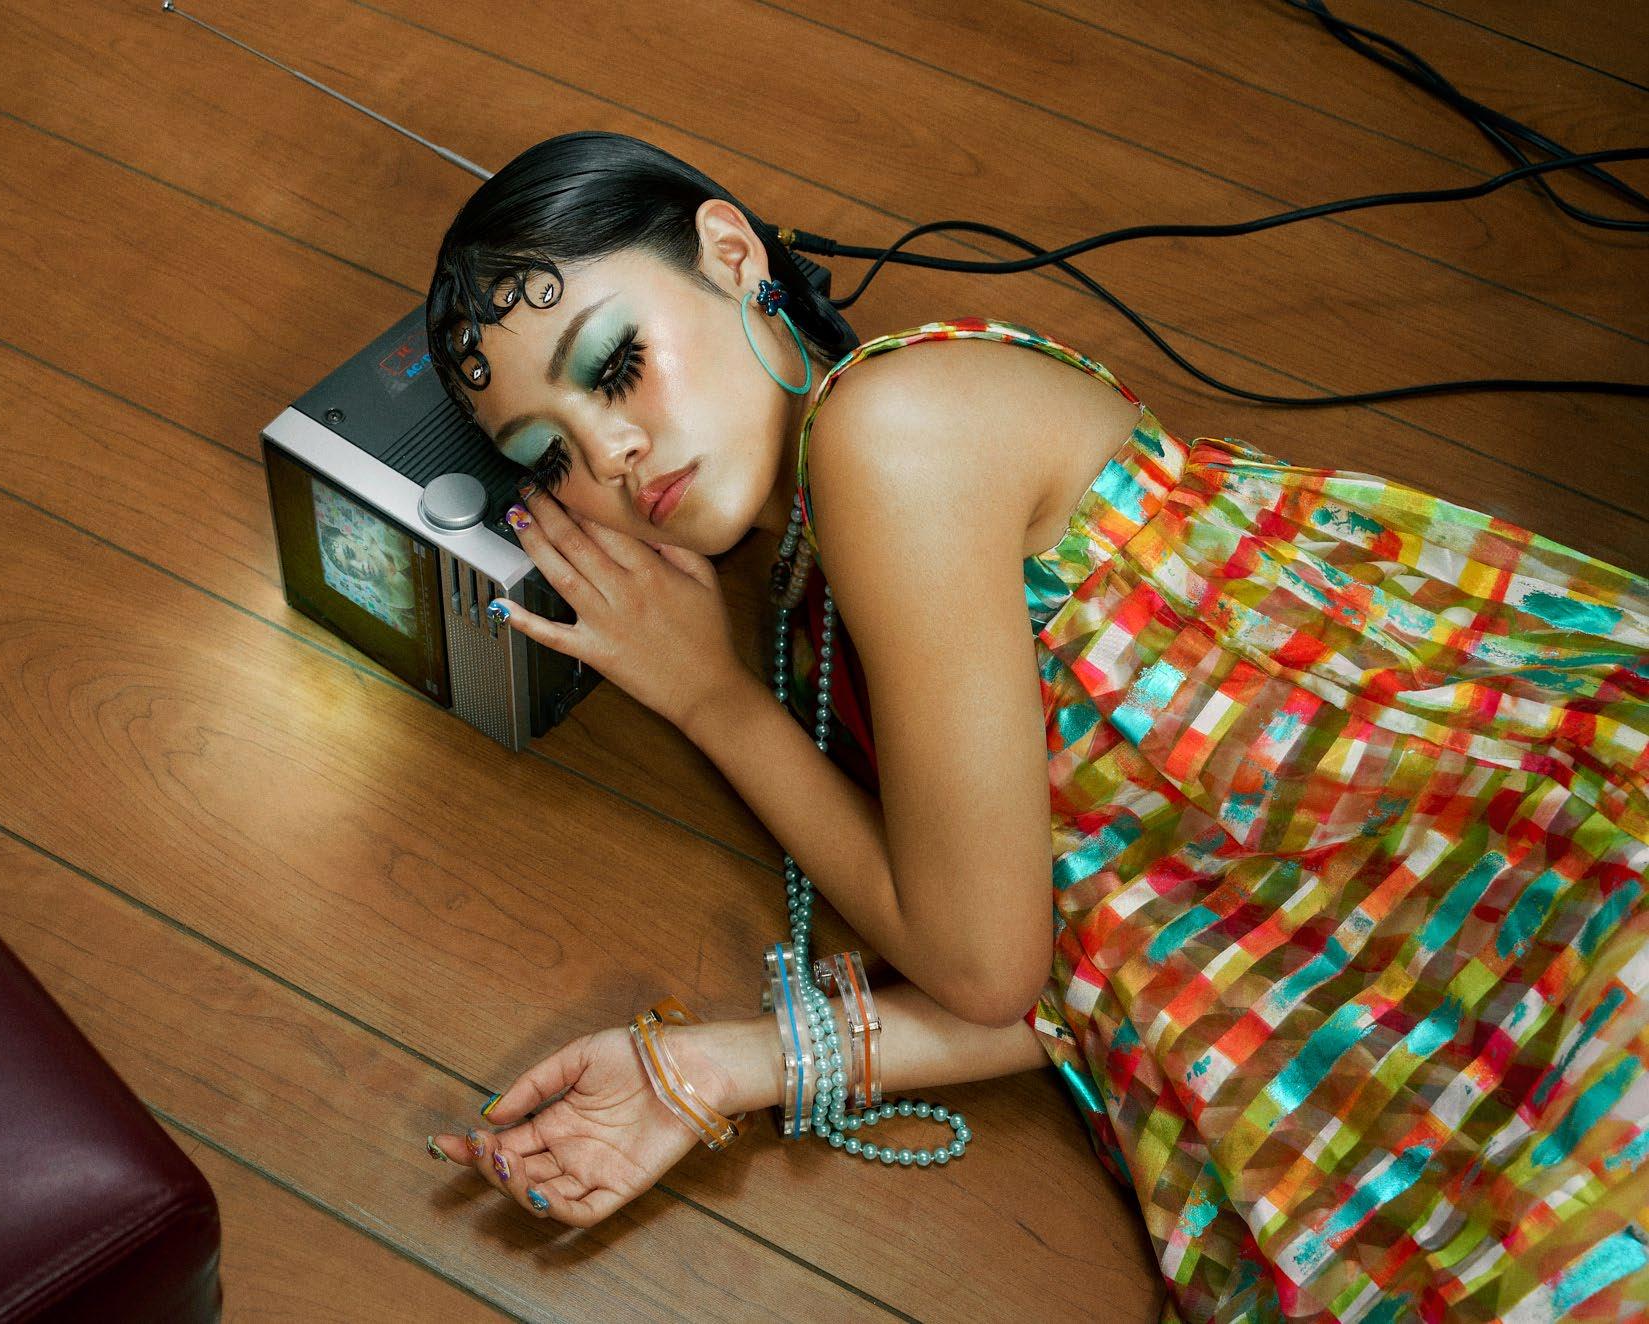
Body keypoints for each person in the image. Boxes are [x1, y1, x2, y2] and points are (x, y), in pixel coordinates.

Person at [421, 131, 1648, 1320]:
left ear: (733, 256)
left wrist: (708, 696)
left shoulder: (888, 431)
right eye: (549, 454)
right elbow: (1089, 953)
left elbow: (984, 961)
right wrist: (712, 1071)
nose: (612, 452)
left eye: (614, 364)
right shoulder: (815, 590)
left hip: (1504, 847)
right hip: (1354, 950)